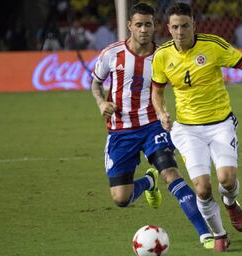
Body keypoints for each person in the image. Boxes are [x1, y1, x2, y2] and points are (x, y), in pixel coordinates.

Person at [151, 2, 242, 252]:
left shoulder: (213, 45)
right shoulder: (162, 55)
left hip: (220, 124)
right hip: (187, 129)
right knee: (202, 188)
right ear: (168, 29)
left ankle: (230, 201)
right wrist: (161, 112)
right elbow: (157, 91)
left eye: (184, 26)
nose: (180, 32)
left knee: (226, 179)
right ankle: (219, 234)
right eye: (175, 27)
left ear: (194, 24)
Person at [90, 3, 214, 250]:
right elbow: (96, 83)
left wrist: (165, 113)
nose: (144, 30)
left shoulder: (162, 56)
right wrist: (101, 102)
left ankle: (205, 233)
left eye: (148, 24)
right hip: (120, 131)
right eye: (139, 25)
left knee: (171, 173)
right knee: (121, 199)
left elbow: (177, 87)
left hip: (152, 126)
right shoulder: (111, 54)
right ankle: (148, 182)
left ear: (156, 26)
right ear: (130, 26)